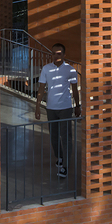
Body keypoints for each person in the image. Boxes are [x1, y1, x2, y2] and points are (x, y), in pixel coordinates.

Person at [35, 43, 82, 179]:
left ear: (64, 55)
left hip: (66, 108)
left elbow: (74, 89)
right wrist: (38, 107)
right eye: (54, 53)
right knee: (54, 136)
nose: (56, 56)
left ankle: (65, 166)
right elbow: (41, 88)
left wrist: (77, 106)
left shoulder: (70, 70)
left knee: (66, 137)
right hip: (51, 108)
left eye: (59, 53)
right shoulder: (46, 69)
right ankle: (60, 156)